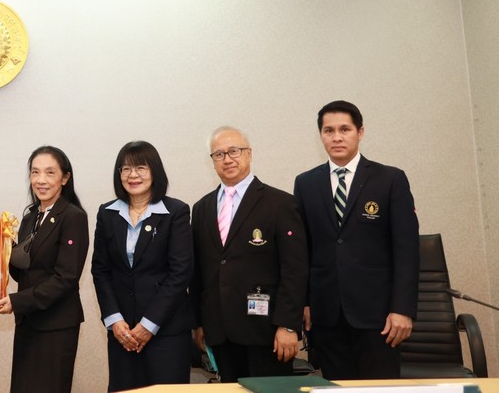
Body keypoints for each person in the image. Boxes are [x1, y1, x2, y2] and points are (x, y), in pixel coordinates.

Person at [293, 100, 419, 379]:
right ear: (321, 135)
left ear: (360, 132)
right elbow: (303, 250)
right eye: (328, 131)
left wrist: (402, 309)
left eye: (344, 129)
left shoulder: (390, 179)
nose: (336, 137)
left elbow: (407, 249)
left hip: (379, 317)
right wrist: (304, 302)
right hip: (327, 315)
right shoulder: (305, 183)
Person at [190, 127, 307, 382]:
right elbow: (198, 272)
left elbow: (295, 269)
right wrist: (198, 323)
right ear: (212, 161)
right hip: (219, 331)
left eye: (234, 151)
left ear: (249, 154)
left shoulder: (280, 204)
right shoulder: (201, 209)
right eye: (219, 154)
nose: (228, 159)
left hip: (266, 332)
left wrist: (288, 325)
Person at [91, 141, 194, 390]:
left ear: (155, 171)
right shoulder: (107, 213)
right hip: (122, 333)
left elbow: (180, 273)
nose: (133, 175)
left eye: (140, 168)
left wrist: (148, 325)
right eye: (125, 169)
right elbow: (101, 271)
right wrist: (114, 321)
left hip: (166, 332)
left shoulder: (176, 212)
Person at [0, 146, 89, 393]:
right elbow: (24, 270)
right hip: (29, 322)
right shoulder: (30, 217)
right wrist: (0, 248)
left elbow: (65, 278)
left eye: (49, 172)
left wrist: (17, 301)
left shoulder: (73, 217)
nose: (41, 180)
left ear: (65, 178)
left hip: (56, 325)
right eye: (35, 172)